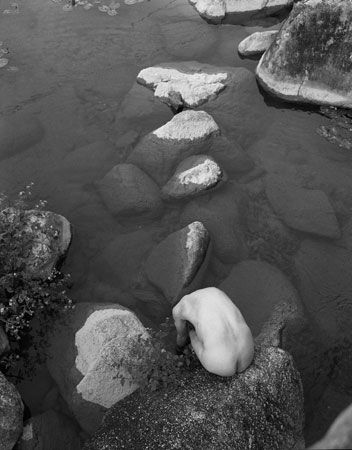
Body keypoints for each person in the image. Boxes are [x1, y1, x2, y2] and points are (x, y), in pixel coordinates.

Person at [172, 287, 254, 377]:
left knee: (191, 334)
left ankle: (179, 354)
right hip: (248, 352)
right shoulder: (215, 291)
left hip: (220, 364)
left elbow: (182, 337)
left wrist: (178, 349)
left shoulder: (179, 308)